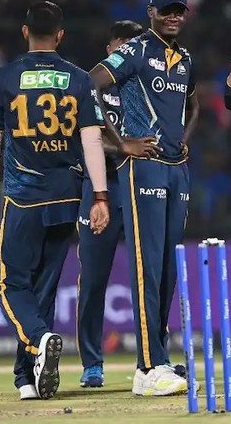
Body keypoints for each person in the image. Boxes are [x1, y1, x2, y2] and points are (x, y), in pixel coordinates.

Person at [0, 1, 110, 400]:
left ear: (24, 32)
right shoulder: (79, 79)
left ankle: (38, 339)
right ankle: (27, 377)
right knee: (44, 288)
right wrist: (99, 196)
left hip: (23, 197)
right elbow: (92, 142)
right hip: (66, 197)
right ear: (60, 35)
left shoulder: (5, 77)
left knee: (9, 284)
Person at [89, 0, 199, 396]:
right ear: (151, 11)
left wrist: (184, 138)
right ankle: (148, 366)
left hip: (176, 169)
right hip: (144, 167)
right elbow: (90, 84)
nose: (173, 16)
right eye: (166, 9)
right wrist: (121, 143)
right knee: (147, 265)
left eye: (179, 10)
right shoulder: (135, 49)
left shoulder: (185, 59)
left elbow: (193, 104)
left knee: (168, 268)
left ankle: (158, 359)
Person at [77, 20, 145, 388]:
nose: (128, 54)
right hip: (100, 187)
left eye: (135, 48)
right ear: (110, 50)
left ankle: (154, 359)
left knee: (149, 276)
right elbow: (85, 139)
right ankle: (92, 363)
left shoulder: (145, 87)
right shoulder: (90, 88)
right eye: (123, 47)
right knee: (93, 278)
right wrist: (123, 147)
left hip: (139, 186)